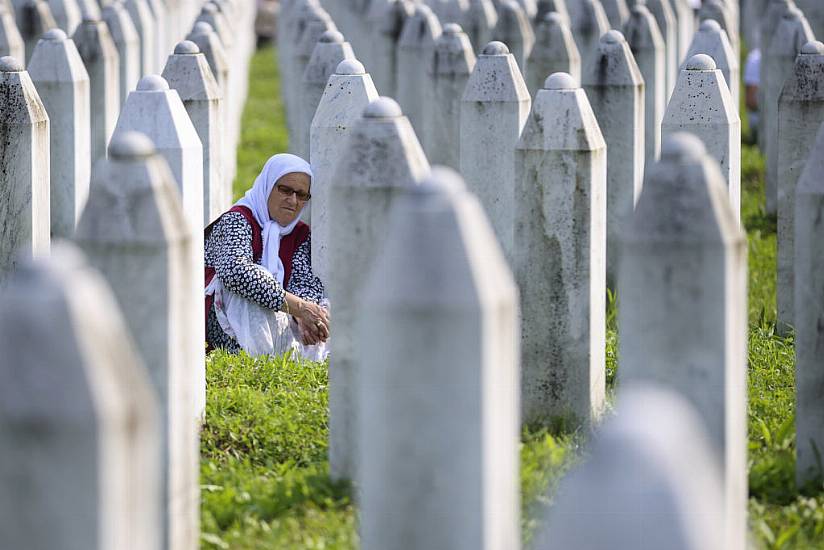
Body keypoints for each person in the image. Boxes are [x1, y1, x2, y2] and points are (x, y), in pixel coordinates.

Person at [204, 154, 330, 360]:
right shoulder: (238, 219)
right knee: (253, 284)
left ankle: (290, 358)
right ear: (268, 185)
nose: (293, 201)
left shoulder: (300, 234)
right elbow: (235, 272)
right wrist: (299, 307)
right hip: (221, 324)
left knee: (326, 308)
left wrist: (305, 315)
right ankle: (259, 360)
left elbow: (305, 281)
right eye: (285, 190)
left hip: (279, 316)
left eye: (301, 195)